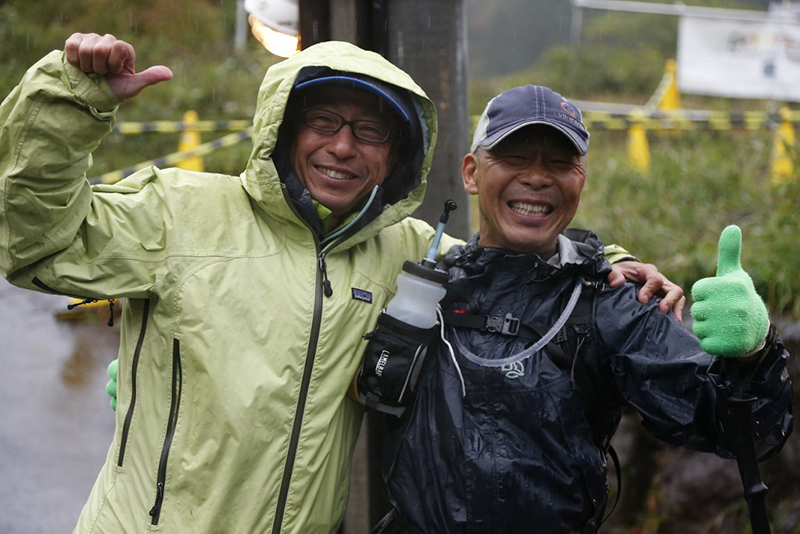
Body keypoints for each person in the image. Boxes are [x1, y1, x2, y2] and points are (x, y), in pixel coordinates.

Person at [0, 34, 679, 533]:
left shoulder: (409, 254)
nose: (344, 146)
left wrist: (609, 264)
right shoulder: (181, 213)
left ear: (396, 154)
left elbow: (509, 254)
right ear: (282, 130)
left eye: (370, 130)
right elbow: (34, 244)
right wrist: (69, 103)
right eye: (322, 122)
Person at [375, 85, 793, 534]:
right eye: (515, 157)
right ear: (472, 174)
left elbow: (742, 431)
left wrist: (755, 352)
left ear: (582, 179)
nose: (538, 177)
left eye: (560, 162)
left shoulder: (609, 300)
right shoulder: (419, 284)